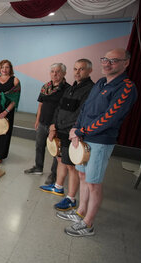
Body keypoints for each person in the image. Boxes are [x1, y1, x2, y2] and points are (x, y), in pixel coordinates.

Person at [58, 48, 137, 237]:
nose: (107, 63)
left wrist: (81, 131)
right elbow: (85, 109)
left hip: (100, 141)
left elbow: (110, 117)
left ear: (125, 63)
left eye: (113, 60)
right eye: (105, 59)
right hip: (83, 138)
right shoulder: (101, 82)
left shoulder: (126, 87)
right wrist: (75, 129)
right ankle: (80, 212)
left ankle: (88, 224)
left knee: (94, 184)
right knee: (84, 178)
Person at [39, 59, 94, 211]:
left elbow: (81, 113)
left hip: (72, 133)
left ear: (89, 71)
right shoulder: (71, 88)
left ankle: (71, 198)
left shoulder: (90, 89)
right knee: (61, 160)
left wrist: (72, 130)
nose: (77, 72)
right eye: (75, 69)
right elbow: (59, 108)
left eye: (81, 69)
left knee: (71, 167)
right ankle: (58, 186)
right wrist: (53, 125)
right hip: (60, 130)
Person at [24, 63, 70, 183]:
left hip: (56, 126)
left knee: (55, 151)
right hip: (43, 123)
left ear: (64, 73)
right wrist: (37, 120)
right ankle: (38, 167)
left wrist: (55, 126)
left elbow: (65, 111)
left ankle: (53, 174)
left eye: (58, 71)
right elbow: (40, 104)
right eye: (53, 71)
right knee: (39, 146)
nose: (55, 74)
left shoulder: (67, 89)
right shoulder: (46, 87)